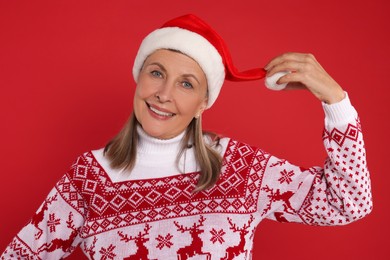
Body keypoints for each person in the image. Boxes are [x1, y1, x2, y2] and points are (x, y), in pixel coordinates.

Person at [1, 14, 372, 260]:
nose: (164, 94)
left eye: (186, 83)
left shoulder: (239, 168)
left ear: (201, 103)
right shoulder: (90, 176)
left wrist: (335, 101)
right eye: (156, 73)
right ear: (139, 78)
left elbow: (348, 203)